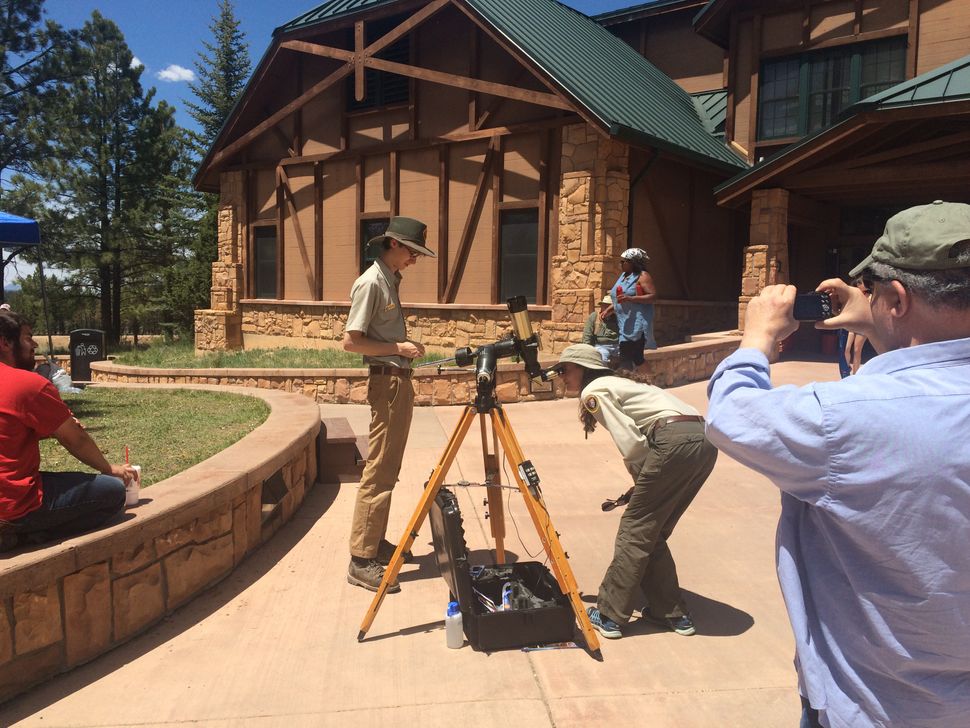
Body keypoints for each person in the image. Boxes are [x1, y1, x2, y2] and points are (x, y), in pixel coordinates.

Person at [705, 200, 970, 727]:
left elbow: (730, 413)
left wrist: (757, 335)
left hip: (876, 705)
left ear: (896, 297)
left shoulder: (842, 419)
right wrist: (880, 322)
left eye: (873, 292)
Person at [555, 343, 717, 639]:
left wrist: (642, 480)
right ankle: (672, 614)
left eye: (564, 369)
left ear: (583, 369)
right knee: (651, 532)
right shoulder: (620, 383)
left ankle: (609, 615)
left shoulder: (595, 391)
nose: (561, 376)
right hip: (704, 440)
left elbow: (632, 445)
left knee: (635, 529)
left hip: (672, 440)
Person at [342, 216, 435, 592]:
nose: (415, 259)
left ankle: (375, 542)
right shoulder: (371, 282)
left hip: (397, 380)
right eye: (412, 251)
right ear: (394, 244)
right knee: (379, 469)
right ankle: (361, 560)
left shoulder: (389, 279)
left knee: (389, 467)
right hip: (388, 383)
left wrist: (403, 348)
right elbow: (351, 341)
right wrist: (398, 348)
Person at [0, 311, 136, 551]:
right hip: (13, 505)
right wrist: (109, 468)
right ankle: (23, 536)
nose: (34, 344)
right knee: (112, 492)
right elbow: (75, 438)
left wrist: (48, 430)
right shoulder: (28, 385)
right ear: (5, 342)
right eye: (28, 337)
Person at [610, 248, 657, 371]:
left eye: (623, 261)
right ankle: (650, 382)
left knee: (626, 358)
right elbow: (618, 297)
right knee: (637, 358)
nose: (621, 264)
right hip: (624, 323)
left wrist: (631, 298)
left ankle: (627, 385)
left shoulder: (642, 276)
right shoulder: (623, 276)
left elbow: (652, 296)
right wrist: (609, 309)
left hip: (637, 324)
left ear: (632, 262)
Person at [582, 294, 620, 364]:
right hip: (601, 346)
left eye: (609, 306)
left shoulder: (619, 317)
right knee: (601, 360)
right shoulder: (594, 316)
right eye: (604, 305)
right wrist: (587, 350)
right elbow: (587, 335)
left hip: (618, 345)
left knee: (628, 361)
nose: (606, 308)